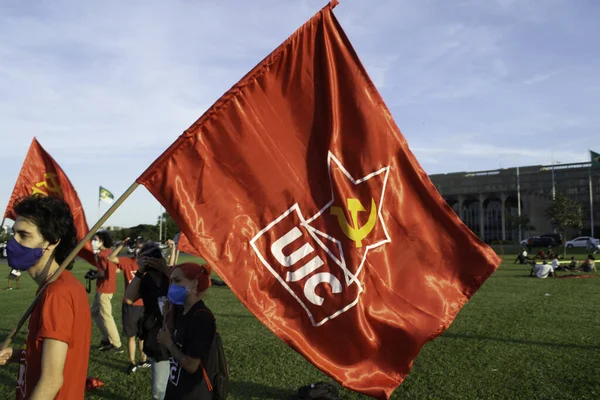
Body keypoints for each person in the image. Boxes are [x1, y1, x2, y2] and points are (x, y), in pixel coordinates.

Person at [0, 195, 91, 399]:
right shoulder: (60, 285)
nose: (13, 242)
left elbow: (52, 380)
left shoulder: (57, 293)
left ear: (52, 241)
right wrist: (20, 355)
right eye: (14, 233)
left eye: (24, 235)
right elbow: (61, 358)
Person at [157, 263, 216, 400]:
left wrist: (169, 343)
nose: (172, 286)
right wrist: (168, 314)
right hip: (176, 388)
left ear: (194, 282)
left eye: (177, 281)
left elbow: (191, 365)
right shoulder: (181, 311)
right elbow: (165, 347)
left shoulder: (201, 317)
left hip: (192, 393)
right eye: (171, 281)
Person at [125, 242, 172, 400]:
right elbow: (129, 298)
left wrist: (165, 269)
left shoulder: (172, 275)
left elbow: (186, 293)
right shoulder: (144, 280)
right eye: (146, 259)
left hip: (178, 332)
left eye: (153, 258)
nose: (150, 262)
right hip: (156, 335)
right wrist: (139, 272)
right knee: (159, 389)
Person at [108, 237, 151, 374]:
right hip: (131, 305)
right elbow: (110, 257)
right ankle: (132, 362)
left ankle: (143, 360)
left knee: (143, 335)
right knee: (131, 335)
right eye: (138, 247)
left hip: (145, 305)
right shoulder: (128, 262)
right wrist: (121, 244)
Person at [91, 230, 123, 352]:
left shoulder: (102, 255)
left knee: (106, 316)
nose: (94, 242)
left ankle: (116, 344)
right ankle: (106, 338)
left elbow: (103, 272)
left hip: (104, 288)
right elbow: (117, 270)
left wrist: (94, 275)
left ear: (102, 241)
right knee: (94, 312)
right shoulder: (110, 253)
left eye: (96, 239)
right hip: (108, 287)